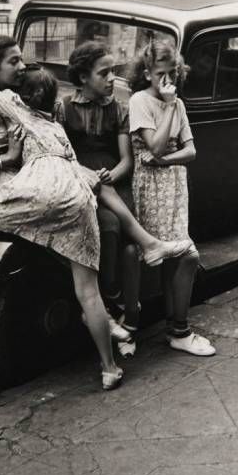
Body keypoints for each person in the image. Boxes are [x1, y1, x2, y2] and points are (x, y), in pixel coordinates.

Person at [0, 37, 187, 390]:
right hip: (77, 196)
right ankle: (109, 366)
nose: (21, 66)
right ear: (53, 102)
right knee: (88, 291)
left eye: (20, 63)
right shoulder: (55, 124)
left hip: (38, 193)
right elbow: (82, 173)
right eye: (15, 60)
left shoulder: (14, 107)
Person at [55, 41, 144, 357]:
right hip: (79, 180)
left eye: (113, 72)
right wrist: (86, 175)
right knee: (106, 225)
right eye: (104, 73)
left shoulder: (118, 108)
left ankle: (124, 307)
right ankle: (107, 299)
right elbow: (61, 154)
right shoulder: (63, 108)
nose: (111, 79)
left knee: (124, 235)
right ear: (83, 77)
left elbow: (126, 160)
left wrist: (112, 175)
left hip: (113, 181)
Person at [128, 40, 216, 356]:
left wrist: (164, 160)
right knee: (180, 255)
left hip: (174, 185)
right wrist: (167, 107)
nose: (167, 81)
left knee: (181, 258)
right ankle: (159, 328)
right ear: (146, 73)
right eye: (159, 74)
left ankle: (176, 329)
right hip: (150, 187)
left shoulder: (178, 103)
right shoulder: (140, 101)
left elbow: (190, 151)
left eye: (172, 74)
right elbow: (154, 144)